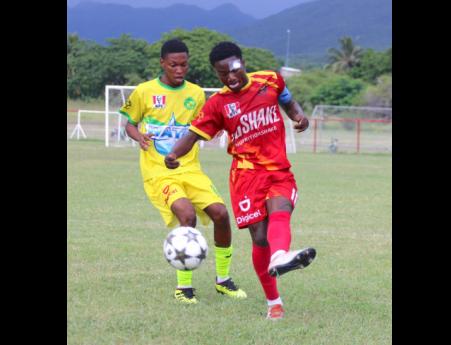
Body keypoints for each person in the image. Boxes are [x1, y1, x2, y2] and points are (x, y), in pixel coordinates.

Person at [165, 41, 316, 319]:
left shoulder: (270, 80)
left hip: (278, 170)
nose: (231, 78)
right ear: (217, 74)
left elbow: (287, 99)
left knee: (280, 211)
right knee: (260, 238)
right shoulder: (219, 104)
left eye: (234, 69)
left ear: (243, 62)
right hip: (246, 177)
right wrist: (174, 153)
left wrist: (298, 116)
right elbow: (193, 135)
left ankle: (281, 256)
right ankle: (274, 303)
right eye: (223, 74)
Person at [120, 39, 247, 304]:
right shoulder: (145, 91)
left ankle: (223, 280)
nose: (179, 69)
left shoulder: (197, 94)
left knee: (221, 214)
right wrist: (139, 137)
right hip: (160, 173)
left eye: (184, 64)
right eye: (174, 65)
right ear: (163, 63)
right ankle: (184, 287)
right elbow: (129, 123)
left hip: (191, 170)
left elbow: (206, 125)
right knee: (186, 215)